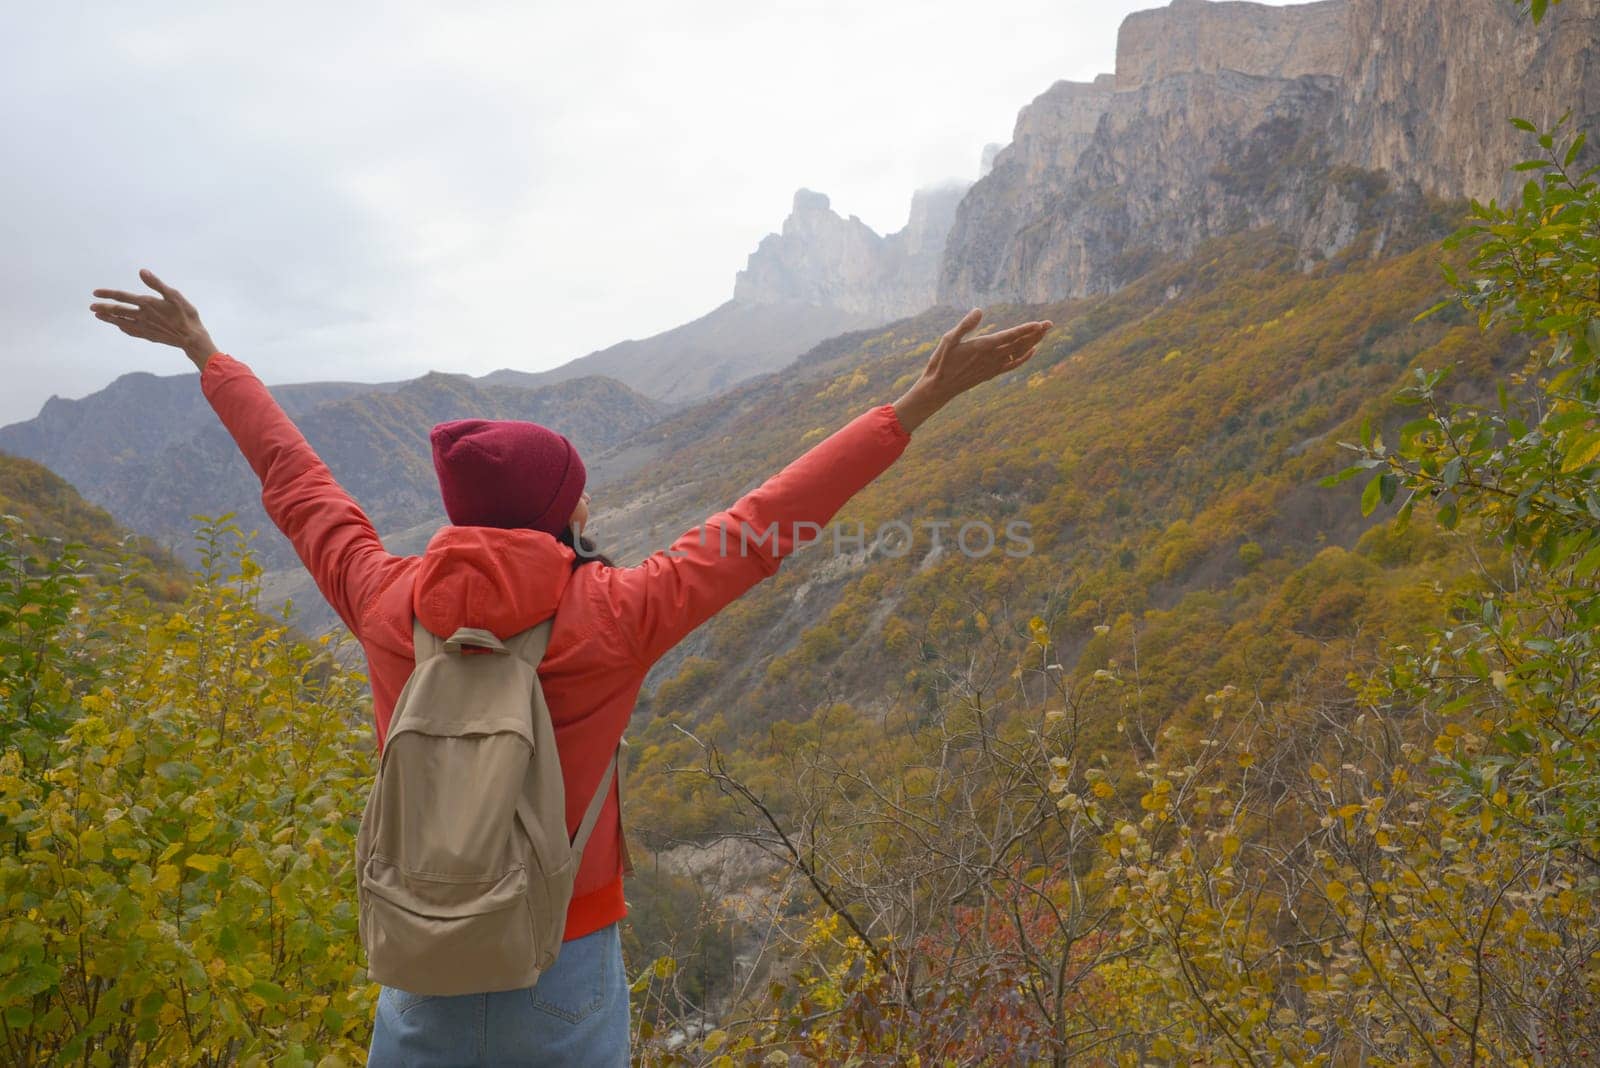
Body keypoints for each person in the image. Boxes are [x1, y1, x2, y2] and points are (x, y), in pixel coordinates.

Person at [89, 269, 1051, 1066]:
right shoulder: (617, 615)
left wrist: (209, 357)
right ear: (559, 516)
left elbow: (299, 486)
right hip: (566, 960)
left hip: (419, 963)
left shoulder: (384, 602)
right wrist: (922, 400)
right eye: (581, 500)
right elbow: (766, 523)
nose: (592, 513)